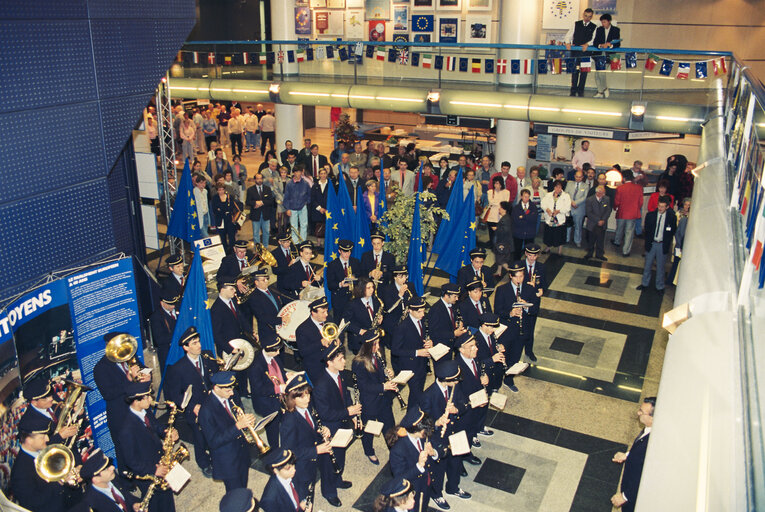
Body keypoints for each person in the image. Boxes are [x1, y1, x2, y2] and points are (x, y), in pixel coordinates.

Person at [419, 361, 474, 504]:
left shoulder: (454, 386)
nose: (457, 381)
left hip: (455, 432)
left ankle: (453, 487)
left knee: (455, 463)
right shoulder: (428, 396)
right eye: (455, 379)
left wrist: (457, 409)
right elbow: (423, 423)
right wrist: (437, 422)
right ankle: (436, 493)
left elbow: (464, 402)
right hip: (439, 437)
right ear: (446, 380)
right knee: (439, 467)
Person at [116, 381, 176, 512]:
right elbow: (131, 461)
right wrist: (153, 470)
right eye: (147, 397)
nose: (151, 399)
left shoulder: (145, 410)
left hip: (160, 462)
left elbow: (156, 426)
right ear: (136, 401)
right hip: (148, 474)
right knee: (155, 503)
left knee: (167, 498)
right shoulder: (126, 430)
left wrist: (167, 432)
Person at [165, 326, 217, 478]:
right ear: (186, 347)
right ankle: (204, 463)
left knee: (214, 432)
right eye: (194, 343)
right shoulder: (178, 368)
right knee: (200, 438)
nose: (199, 345)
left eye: (198, 341)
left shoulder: (207, 357)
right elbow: (175, 394)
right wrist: (193, 406)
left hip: (211, 404)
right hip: (194, 410)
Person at [278, 373, 336, 506]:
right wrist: (315, 450)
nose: (307, 399)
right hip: (301, 466)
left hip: (312, 457)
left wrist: (322, 429)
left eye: (308, 394)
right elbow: (289, 452)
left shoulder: (307, 406)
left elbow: (311, 425)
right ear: (292, 399)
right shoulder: (289, 421)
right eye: (302, 396)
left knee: (311, 490)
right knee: (304, 497)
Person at [312, 343, 358, 494]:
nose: (344, 361)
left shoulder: (340, 375)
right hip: (330, 428)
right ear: (329, 362)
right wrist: (347, 411)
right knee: (328, 464)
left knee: (340, 456)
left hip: (343, 423)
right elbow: (324, 413)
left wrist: (352, 414)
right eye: (339, 359)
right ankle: (329, 492)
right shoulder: (321, 385)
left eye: (343, 357)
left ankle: (338, 480)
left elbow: (345, 396)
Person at [197, 371, 254, 493]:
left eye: (232, 389)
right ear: (216, 388)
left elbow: (240, 410)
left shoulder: (232, 395)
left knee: (243, 487)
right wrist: (237, 426)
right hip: (227, 461)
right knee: (234, 494)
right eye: (228, 390)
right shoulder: (206, 411)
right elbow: (213, 441)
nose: (232, 393)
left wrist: (245, 420)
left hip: (241, 453)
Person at [93, 332, 152, 437]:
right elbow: (108, 394)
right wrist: (128, 379)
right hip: (121, 416)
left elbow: (143, 368)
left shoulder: (129, 356)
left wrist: (147, 375)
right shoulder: (101, 368)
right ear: (109, 347)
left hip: (139, 408)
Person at [354, 330, 397, 465]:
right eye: (374, 344)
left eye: (378, 343)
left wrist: (389, 373)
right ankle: (369, 451)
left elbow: (381, 374)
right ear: (367, 346)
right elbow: (364, 386)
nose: (378, 347)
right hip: (370, 403)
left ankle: (394, 451)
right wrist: (384, 387)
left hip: (384, 400)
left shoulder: (378, 354)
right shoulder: (358, 362)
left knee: (390, 427)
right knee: (370, 430)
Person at [494, 263, 537, 392]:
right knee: (502, 357)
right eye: (516, 277)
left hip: (522, 330)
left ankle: (509, 379)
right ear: (510, 276)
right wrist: (510, 313)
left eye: (521, 276)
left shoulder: (529, 289)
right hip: (507, 331)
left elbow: (535, 310)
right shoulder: (502, 290)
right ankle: (496, 382)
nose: (519, 280)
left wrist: (527, 307)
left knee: (515, 357)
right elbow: (497, 311)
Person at [385, 408, 438, 512]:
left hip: (426, 483)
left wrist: (434, 452)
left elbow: (438, 445)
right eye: (424, 431)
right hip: (414, 490)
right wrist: (418, 466)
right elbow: (400, 478)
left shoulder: (423, 436)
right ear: (416, 430)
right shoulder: (398, 450)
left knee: (423, 506)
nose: (426, 433)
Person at [10, 414, 67, 512]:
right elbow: (33, 502)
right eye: (43, 436)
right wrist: (58, 482)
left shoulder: (38, 448)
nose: (47, 439)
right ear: (29, 441)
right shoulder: (20, 473)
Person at [611, 397, 656, 511]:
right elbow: (641, 453)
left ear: (653, 418)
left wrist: (625, 496)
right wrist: (627, 455)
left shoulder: (653, 441)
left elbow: (644, 475)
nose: (638, 413)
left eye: (642, 412)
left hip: (633, 497)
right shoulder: (649, 430)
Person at [248, 331, 287, 449]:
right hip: (266, 403)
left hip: (279, 399)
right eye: (275, 350)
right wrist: (279, 388)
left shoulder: (273, 356)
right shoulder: (256, 366)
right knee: (272, 429)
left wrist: (286, 376)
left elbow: (279, 371)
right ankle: (275, 449)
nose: (278, 352)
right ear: (267, 349)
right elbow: (258, 389)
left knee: (284, 422)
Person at [391, 296, 432, 409]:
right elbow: (395, 350)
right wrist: (417, 352)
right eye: (419, 312)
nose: (423, 314)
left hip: (422, 363)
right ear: (410, 310)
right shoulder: (402, 327)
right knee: (418, 394)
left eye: (423, 311)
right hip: (409, 365)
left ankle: (413, 415)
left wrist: (429, 342)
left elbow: (424, 336)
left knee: (416, 394)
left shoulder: (423, 320)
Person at [454, 333, 492, 447]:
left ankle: (478, 429)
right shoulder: (456, 368)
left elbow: (479, 369)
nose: (476, 348)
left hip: (478, 397)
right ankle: (468, 452)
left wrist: (484, 376)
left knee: (478, 417)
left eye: (475, 345)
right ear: (461, 350)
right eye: (471, 346)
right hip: (468, 405)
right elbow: (457, 394)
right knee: (467, 429)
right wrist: (474, 402)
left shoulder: (474, 358)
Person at [638, 196, 677, 292]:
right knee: (647, 264)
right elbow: (647, 229)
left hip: (662, 244)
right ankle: (644, 283)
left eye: (663, 207)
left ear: (667, 207)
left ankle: (659, 286)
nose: (660, 208)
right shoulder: (650, 215)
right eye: (659, 206)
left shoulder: (671, 217)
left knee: (660, 266)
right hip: (652, 243)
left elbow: (673, 231)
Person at [210, 278, 256, 358]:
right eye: (231, 289)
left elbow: (241, 318)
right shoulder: (216, 309)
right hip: (229, 349)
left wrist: (252, 332)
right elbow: (216, 334)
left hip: (240, 343)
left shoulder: (233, 300)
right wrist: (230, 349)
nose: (235, 290)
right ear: (222, 290)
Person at [295, 297, 331, 383]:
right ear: (313, 313)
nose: (326, 314)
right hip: (316, 366)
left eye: (326, 311)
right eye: (323, 312)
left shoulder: (329, 320)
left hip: (331, 361)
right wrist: (320, 343)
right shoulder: (302, 330)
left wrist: (338, 340)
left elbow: (337, 332)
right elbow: (303, 352)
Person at [344, 278, 383, 354]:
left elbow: (379, 312)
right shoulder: (353, 304)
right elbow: (346, 323)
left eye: (372, 287)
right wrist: (360, 330)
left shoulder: (376, 300)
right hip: (359, 339)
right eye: (368, 288)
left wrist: (380, 317)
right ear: (361, 289)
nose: (372, 290)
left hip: (373, 336)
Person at [326, 239, 361, 322]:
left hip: (353, 298)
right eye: (345, 252)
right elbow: (330, 285)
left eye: (349, 252)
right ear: (339, 251)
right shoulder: (332, 265)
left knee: (353, 322)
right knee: (339, 322)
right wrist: (340, 284)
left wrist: (354, 277)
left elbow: (361, 277)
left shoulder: (355, 262)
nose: (347, 254)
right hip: (339, 299)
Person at [564, 8, 597, 97]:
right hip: (575, 52)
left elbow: (594, 39)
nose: (587, 18)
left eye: (589, 17)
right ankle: (573, 89)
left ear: (591, 17)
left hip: (586, 53)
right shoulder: (576, 24)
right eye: (586, 16)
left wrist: (587, 44)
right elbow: (569, 35)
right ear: (583, 15)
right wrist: (567, 42)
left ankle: (581, 90)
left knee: (584, 72)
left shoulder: (594, 26)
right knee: (574, 71)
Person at [426, 284, 467, 350]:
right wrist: (453, 334)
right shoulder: (436, 310)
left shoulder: (453, 306)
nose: (457, 299)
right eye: (455, 296)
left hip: (451, 345)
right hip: (441, 347)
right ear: (447, 296)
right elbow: (434, 333)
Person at [523, 243, 546, 360]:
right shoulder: (520, 266)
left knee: (530, 329)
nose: (532, 258)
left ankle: (529, 351)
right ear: (526, 254)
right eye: (530, 255)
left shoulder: (541, 267)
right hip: (521, 302)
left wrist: (541, 290)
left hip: (533, 303)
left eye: (534, 256)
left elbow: (544, 284)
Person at [613, 170, 644, 257]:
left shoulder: (620, 188)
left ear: (624, 178)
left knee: (619, 228)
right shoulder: (639, 188)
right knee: (629, 233)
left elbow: (617, 201)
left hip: (622, 212)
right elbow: (641, 202)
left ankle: (617, 241)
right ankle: (625, 251)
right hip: (633, 213)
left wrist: (615, 207)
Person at [474, 313, 506, 393]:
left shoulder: (490, 334)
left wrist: (498, 346)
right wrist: (492, 359)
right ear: (484, 325)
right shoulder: (475, 340)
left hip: (493, 371)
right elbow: (475, 363)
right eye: (492, 327)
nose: (494, 330)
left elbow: (492, 346)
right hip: (484, 373)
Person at [149, 288, 179, 373]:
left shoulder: (179, 309)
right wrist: (177, 334)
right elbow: (160, 339)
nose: (172, 306)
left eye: (173, 304)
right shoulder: (156, 317)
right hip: (167, 352)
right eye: (169, 305)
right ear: (162, 303)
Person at [593, 13, 621, 98]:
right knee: (597, 74)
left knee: (602, 73)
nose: (603, 24)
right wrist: (601, 45)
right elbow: (595, 42)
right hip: (599, 54)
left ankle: (604, 89)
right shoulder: (599, 29)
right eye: (602, 22)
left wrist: (610, 45)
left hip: (609, 55)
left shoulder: (616, 30)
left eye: (604, 22)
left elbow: (618, 43)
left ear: (609, 21)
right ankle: (600, 91)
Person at [211, 183, 243, 254]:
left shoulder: (229, 197)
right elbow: (215, 210)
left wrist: (221, 209)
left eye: (222, 189)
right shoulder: (215, 198)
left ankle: (232, 251)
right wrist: (222, 209)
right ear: (217, 191)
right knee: (223, 237)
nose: (221, 191)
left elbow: (231, 207)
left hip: (230, 219)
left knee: (231, 236)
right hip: (220, 220)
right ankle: (224, 252)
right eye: (219, 190)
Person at [541, 180, 571, 254]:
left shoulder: (566, 196)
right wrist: (547, 209)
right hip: (550, 217)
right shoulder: (548, 194)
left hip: (559, 218)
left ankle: (559, 250)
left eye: (559, 187)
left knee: (559, 235)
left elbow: (568, 207)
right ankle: (548, 247)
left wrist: (559, 211)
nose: (558, 189)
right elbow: (543, 203)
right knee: (549, 234)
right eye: (556, 187)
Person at [246, 172, 276, 248]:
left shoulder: (267, 189)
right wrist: (255, 203)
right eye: (257, 178)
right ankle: (257, 249)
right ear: (255, 180)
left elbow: (271, 201)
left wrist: (262, 202)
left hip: (266, 214)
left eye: (260, 178)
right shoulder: (250, 190)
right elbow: (248, 202)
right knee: (256, 233)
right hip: (255, 214)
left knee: (266, 232)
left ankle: (265, 247)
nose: (259, 180)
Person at [584, 185, 613, 260]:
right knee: (591, 240)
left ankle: (599, 254)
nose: (604, 194)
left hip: (602, 223)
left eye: (604, 192)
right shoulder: (590, 200)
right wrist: (598, 220)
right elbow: (589, 212)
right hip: (592, 223)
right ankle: (589, 253)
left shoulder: (607, 199)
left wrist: (603, 220)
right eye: (603, 192)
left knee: (601, 240)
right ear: (598, 192)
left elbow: (608, 210)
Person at [284, 167, 311, 244]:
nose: (298, 174)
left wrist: (306, 202)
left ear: (301, 173)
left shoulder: (305, 183)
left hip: (303, 207)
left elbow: (309, 195)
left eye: (299, 172)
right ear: (294, 173)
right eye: (296, 172)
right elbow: (286, 197)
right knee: (293, 226)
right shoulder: (289, 184)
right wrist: (287, 208)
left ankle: (303, 242)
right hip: (292, 208)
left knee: (304, 225)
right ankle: (295, 243)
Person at [667, 197, 691, 284]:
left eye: (689, 205)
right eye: (686, 204)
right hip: (678, 241)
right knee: (676, 261)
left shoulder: (691, 216)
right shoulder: (679, 214)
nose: (687, 207)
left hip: (684, 242)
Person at [511, 189, 538, 261]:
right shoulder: (516, 208)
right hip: (518, 233)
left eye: (528, 197)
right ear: (521, 197)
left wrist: (523, 217)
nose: (527, 199)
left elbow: (534, 219)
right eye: (525, 197)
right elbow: (515, 220)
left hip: (529, 233)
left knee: (530, 252)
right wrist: (527, 217)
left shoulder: (533, 207)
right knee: (517, 251)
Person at [565, 169, 589, 247]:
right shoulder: (569, 184)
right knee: (568, 225)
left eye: (580, 177)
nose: (578, 178)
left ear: (582, 177)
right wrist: (571, 202)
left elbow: (585, 197)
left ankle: (577, 240)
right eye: (577, 177)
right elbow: (566, 194)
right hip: (569, 207)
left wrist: (576, 203)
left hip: (579, 209)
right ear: (574, 176)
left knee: (578, 226)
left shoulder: (586, 186)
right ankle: (566, 239)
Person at [485, 175, 510, 247]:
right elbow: (491, 202)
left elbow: (505, 203)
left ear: (501, 183)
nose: (496, 185)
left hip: (501, 216)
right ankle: (492, 245)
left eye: (498, 183)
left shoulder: (506, 192)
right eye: (495, 183)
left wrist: (497, 203)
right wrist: (500, 203)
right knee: (491, 233)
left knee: (500, 232)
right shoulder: (490, 191)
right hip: (491, 216)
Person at [493, 201, 514, 279]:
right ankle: (499, 272)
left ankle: (512, 272)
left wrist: (496, 229)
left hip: (503, 243)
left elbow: (505, 231)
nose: (499, 209)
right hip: (504, 242)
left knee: (501, 260)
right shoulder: (506, 217)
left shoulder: (505, 219)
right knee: (500, 257)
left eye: (501, 207)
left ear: (504, 209)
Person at [310, 167, 330, 236]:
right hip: (317, 210)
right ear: (319, 175)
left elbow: (332, 199)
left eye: (324, 173)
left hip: (328, 210)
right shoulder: (315, 185)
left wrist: (328, 208)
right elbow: (312, 199)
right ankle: (318, 245)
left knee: (327, 228)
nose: (323, 175)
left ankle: (326, 245)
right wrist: (319, 208)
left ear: (327, 174)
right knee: (318, 229)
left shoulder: (330, 185)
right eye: (321, 174)